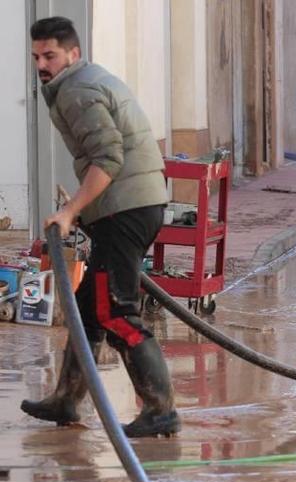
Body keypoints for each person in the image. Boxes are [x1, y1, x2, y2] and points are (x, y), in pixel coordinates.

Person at [21, 17, 179, 438]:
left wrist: (70, 210)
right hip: (134, 205)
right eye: (36, 56)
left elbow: (107, 158)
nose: (42, 64)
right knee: (88, 307)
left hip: (126, 209)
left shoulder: (77, 90)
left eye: (50, 55)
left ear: (72, 54)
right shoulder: (81, 80)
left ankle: (160, 408)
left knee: (114, 310)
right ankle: (67, 398)